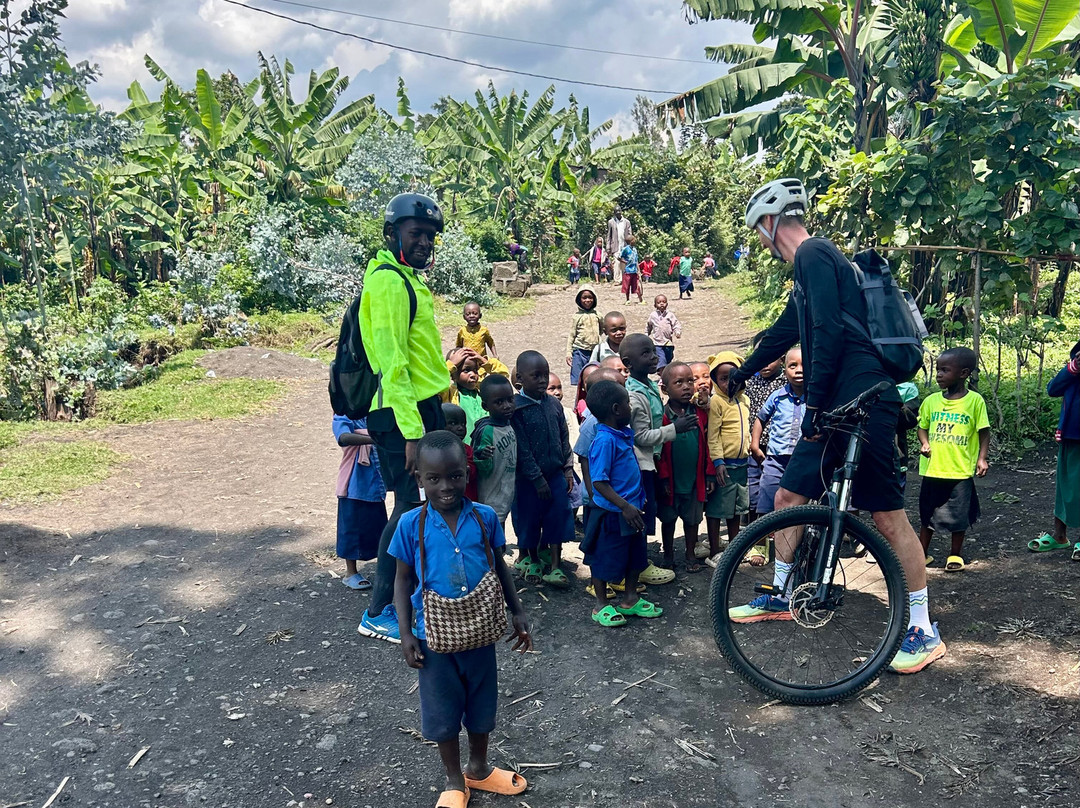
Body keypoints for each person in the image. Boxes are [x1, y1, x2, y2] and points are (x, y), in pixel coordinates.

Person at [728, 177, 944, 674]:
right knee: (788, 497)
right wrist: (741, 371)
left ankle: (922, 628)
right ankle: (782, 593)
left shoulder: (814, 254)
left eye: (758, 232)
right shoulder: (809, 274)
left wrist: (815, 406)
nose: (761, 241)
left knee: (887, 517)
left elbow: (824, 334)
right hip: (836, 406)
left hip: (864, 398)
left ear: (767, 222)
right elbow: (785, 332)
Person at [390, 431, 531, 808]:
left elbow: (499, 567)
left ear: (467, 473)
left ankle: (479, 768)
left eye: (454, 475)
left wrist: (517, 611)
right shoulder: (410, 525)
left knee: (482, 703)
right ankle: (454, 780)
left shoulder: (484, 518)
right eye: (433, 479)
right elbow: (402, 582)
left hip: (481, 631)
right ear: (419, 479)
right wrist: (405, 634)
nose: (446, 486)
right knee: (442, 708)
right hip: (433, 636)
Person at [358, 192, 449, 644]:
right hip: (399, 415)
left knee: (418, 507)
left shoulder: (405, 278)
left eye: (429, 237)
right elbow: (392, 364)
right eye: (416, 234)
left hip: (418, 407)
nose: (424, 243)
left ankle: (408, 596)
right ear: (393, 233)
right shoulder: (389, 282)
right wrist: (413, 433)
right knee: (409, 507)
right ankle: (378, 610)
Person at [583, 379, 664, 627]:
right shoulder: (605, 440)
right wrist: (624, 506)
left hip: (632, 509)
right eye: (628, 404)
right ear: (617, 409)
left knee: (635, 556)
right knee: (604, 559)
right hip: (613, 514)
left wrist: (638, 498)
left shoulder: (622, 435)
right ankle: (600, 605)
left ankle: (630, 598)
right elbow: (599, 481)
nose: (631, 407)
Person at [622, 333, 695, 586]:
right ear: (627, 363)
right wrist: (676, 428)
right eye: (645, 353)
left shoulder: (650, 385)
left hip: (652, 462)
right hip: (640, 464)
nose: (653, 357)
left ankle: (639, 562)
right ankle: (638, 566)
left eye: (653, 351)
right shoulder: (634, 395)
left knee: (648, 512)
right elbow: (641, 436)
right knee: (641, 513)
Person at [916, 347, 990, 572]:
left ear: (963, 373)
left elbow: (983, 431)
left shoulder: (975, 401)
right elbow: (922, 427)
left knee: (959, 515)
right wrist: (925, 443)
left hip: (959, 471)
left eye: (945, 370)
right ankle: (921, 555)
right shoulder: (931, 401)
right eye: (938, 369)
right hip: (933, 469)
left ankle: (955, 555)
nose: (939, 374)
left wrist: (982, 458)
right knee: (927, 514)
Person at [510, 351, 575, 588]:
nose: (542, 380)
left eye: (544, 375)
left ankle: (556, 566)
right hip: (528, 481)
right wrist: (536, 478)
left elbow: (563, 437)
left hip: (555, 473)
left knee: (557, 516)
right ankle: (533, 558)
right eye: (535, 376)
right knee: (529, 519)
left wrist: (567, 469)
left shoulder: (554, 404)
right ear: (519, 380)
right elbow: (521, 448)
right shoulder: (516, 410)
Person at [656, 362, 715, 572]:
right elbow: (659, 451)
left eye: (690, 381)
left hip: (694, 480)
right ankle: (669, 555)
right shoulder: (662, 417)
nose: (687, 387)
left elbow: (708, 444)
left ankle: (690, 555)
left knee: (692, 521)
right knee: (669, 519)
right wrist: (662, 478)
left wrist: (709, 475)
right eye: (678, 382)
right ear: (665, 389)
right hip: (671, 481)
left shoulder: (699, 413)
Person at [751, 349, 805, 547]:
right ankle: (760, 544)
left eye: (804, 365)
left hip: (802, 459)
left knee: (801, 503)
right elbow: (760, 418)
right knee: (766, 498)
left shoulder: (816, 397)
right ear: (785, 368)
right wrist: (755, 444)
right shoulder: (777, 396)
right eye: (793, 366)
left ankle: (799, 544)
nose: (799, 371)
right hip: (775, 459)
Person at [1035, 339, 1080, 559]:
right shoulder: (1073, 374)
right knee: (1064, 488)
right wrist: (1072, 369)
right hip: (1071, 437)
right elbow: (1053, 389)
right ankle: (1059, 536)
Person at [333, 415, 388, 591]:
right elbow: (343, 437)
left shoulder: (373, 413)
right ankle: (351, 572)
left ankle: (384, 569)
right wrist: (373, 438)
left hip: (374, 484)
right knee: (351, 530)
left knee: (378, 527)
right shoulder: (343, 415)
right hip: (354, 484)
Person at [707, 352, 752, 560]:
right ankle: (715, 550)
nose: (729, 383)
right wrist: (718, 461)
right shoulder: (717, 402)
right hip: (725, 465)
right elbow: (713, 435)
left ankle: (734, 549)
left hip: (742, 464)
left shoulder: (744, 400)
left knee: (737, 508)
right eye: (723, 378)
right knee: (718, 508)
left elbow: (746, 429)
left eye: (733, 377)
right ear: (715, 380)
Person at [743, 339, 786, 525]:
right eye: (761, 357)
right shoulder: (749, 381)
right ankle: (755, 531)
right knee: (753, 489)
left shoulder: (787, 381)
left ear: (782, 359)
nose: (766, 363)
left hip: (779, 448)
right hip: (753, 444)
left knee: (776, 490)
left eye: (772, 357)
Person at [471, 375, 519, 529]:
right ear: (486, 407)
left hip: (506, 489)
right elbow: (479, 462)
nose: (506, 406)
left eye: (510, 400)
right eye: (499, 402)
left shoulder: (509, 424)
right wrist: (482, 455)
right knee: (492, 528)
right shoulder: (487, 430)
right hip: (491, 492)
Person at [443, 354, 485, 443]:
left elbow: (502, 377)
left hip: (485, 451)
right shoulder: (450, 393)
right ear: (453, 373)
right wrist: (451, 364)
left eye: (476, 370)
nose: (473, 375)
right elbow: (436, 384)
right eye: (466, 370)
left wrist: (485, 362)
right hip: (460, 451)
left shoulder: (482, 393)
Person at [565, 286, 602, 386]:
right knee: (578, 380)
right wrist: (569, 352)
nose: (587, 300)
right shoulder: (577, 317)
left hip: (595, 351)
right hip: (579, 351)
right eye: (584, 298)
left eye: (590, 297)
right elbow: (572, 335)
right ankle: (580, 399)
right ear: (579, 300)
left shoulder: (598, 315)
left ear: (594, 299)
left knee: (595, 377)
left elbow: (602, 329)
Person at [646, 294, 682, 371]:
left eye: (664, 302)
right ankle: (662, 374)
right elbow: (649, 326)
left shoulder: (670, 315)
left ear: (667, 304)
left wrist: (677, 332)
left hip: (668, 342)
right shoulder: (653, 315)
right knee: (661, 359)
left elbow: (676, 324)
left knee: (668, 358)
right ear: (655, 305)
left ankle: (665, 371)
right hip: (657, 343)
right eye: (659, 302)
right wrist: (646, 334)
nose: (661, 303)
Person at [606, 206, 633, 283]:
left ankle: (625, 279)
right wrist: (608, 247)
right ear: (614, 213)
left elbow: (629, 234)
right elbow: (609, 235)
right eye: (616, 211)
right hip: (615, 246)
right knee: (617, 263)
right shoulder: (611, 222)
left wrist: (630, 245)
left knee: (624, 263)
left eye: (619, 211)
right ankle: (618, 280)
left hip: (625, 245)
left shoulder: (627, 222)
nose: (618, 212)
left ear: (621, 211)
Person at [619, 235, 643, 304]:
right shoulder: (625, 249)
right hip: (628, 270)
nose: (635, 241)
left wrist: (638, 270)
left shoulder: (635, 249)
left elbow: (636, 261)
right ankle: (627, 300)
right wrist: (625, 262)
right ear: (630, 241)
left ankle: (641, 299)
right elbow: (619, 257)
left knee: (637, 285)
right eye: (633, 240)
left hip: (634, 271)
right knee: (627, 286)